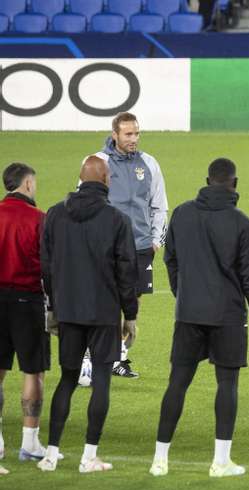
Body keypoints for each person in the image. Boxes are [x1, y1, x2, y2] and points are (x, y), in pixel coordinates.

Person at [150, 158, 249, 477]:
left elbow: (170, 259)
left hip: (188, 312)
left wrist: (182, 292)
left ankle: (160, 460)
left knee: (177, 382)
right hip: (227, 315)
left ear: (207, 180)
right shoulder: (243, 224)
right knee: (227, 384)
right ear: (234, 184)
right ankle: (221, 461)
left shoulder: (183, 214)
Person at [38, 156, 138, 473]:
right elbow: (127, 273)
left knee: (67, 379)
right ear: (106, 180)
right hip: (104, 313)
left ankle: (51, 454)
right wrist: (130, 315)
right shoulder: (116, 219)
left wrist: (54, 306)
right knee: (102, 380)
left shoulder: (54, 215)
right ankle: (88, 456)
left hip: (68, 311)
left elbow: (46, 267)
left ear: (79, 179)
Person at [86, 111, 169, 380]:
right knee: (107, 302)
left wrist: (156, 240)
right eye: (128, 134)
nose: (134, 139)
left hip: (142, 246)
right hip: (108, 247)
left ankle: (118, 356)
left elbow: (160, 205)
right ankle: (95, 353)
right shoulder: (98, 163)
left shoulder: (148, 163)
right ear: (115, 135)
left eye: (137, 133)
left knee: (132, 301)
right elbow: (85, 202)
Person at [0, 163, 49, 470]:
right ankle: (30, 443)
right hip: (28, 302)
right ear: (28, 184)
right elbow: (49, 265)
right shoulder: (39, 219)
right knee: (33, 372)